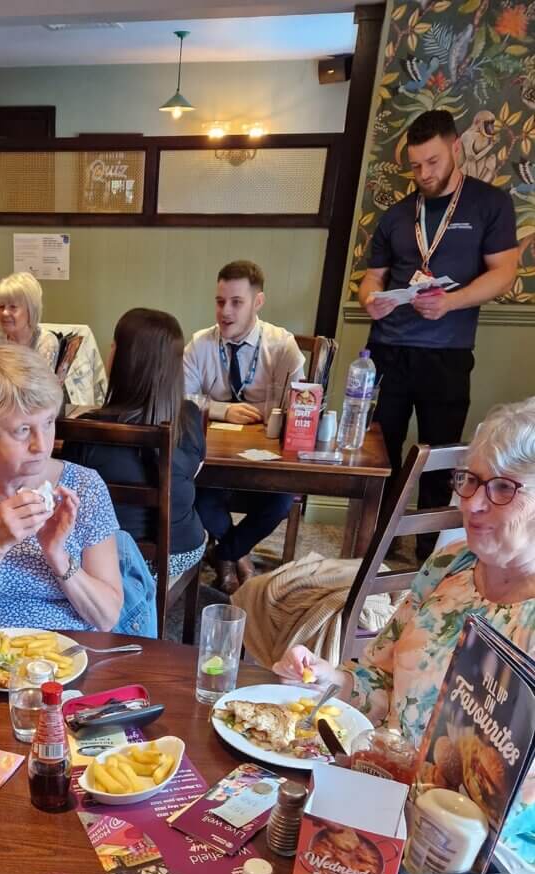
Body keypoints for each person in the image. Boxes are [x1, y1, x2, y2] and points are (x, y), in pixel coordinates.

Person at [273, 398, 535, 747]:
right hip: (376, 761)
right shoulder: (450, 563)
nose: (471, 503)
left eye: (503, 487)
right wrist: (328, 679)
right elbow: (382, 678)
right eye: (470, 480)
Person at [359, 109, 518, 546]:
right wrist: (370, 300)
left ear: (455, 148)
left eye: (432, 162)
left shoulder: (490, 204)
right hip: (388, 349)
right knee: (379, 452)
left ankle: (428, 553)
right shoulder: (396, 215)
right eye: (415, 166)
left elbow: (504, 273)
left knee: (438, 456)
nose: (424, 174)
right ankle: (375, 543)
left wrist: (450, 302)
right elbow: (373, 278)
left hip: (447, 353)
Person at [0, 341, 122, 635]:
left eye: (49, 422)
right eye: (23, 430)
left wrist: (56, 554)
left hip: (71, 655)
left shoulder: (86, 486)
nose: (41, 445)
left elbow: (107, 618)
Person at [62, 307, 207, 583]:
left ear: (123, 360)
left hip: (111, 553)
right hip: (180, 549)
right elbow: (194, 471)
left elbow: (72, 501)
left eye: (113, 345)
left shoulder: (85, 429)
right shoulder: (189, 416)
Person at [184, 259, 305, 593]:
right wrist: (222, 409)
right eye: (220, 301)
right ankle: (239, 557)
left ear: (258, 302)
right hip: (214, 459)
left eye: (236, 302)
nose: (225, 312)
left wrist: (268, 410)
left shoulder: (282, 345)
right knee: (198, 498)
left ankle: (225, 553)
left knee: (280, 503)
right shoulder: (200, 344)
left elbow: (298, 401)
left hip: (265, 460)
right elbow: (181, 399)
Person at [0, 271, 59, 368]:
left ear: (30, 310)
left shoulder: (45, 342)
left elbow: (40, 378)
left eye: (13, 307)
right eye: (1, 307)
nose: (4, 313)